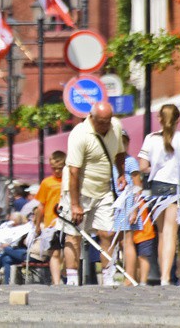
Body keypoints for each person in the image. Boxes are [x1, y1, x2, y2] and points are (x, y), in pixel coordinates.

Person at [56, 101, 126, 286]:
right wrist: (75, 203)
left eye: (108, 121)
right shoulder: (80, 134)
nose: (105, 125)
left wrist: (121, 173)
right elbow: (73, 171)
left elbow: (120, 152)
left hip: (103, 191)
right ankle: (71, 279)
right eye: (101, 121)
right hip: (80, 190)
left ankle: (109, 277)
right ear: (91, 117)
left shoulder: (116, 126)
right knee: (74, 235)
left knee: (108, 233)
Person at [139, 104, 180, 286]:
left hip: (158, 187)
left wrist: (157, 169)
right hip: (178, 187)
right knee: (171, 233)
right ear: (179, 119)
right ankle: (166, 277)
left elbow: (143, 166)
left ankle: (164, 276)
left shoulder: (151, 139)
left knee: (162, 233)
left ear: (159, 119)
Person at [112, 129, 141, 286]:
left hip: (128, 202)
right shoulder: (113, 162)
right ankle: (128, 273)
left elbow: (137, 186)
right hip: (117, 202)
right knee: (121, 241)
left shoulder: (130, 161)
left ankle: (130, 277)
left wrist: (135, 208)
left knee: (128, 241)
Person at [33, 150, 66, 285]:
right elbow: (41, 206)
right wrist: (37, 225)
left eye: (60, 168)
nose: (57, 171)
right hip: (51, 223)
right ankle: (56, 281)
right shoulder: (47, 183)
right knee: (55, 253)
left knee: (68, 252)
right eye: (54, 168)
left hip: (67, 222)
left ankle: (68, 277)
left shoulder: (69, 180)